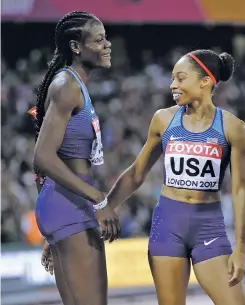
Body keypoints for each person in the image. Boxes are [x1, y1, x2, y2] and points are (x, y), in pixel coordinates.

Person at [106, 49, 245, 305]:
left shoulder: (232, 127)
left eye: (180, 78)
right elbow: (137, 173)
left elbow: (239, 190)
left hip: (209, 226)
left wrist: (240, 248)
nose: (173, 85)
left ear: (205, 81)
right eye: (172, 78)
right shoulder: (163, 119)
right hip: (167, 225)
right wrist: (105, 208)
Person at [31, 11, 119, 305]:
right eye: (98, 40)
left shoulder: (75, 86)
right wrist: (99, 199)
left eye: (105, 38)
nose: (107, 45)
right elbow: (42, 157)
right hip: (70, 203)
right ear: (76, 47)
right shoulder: (66, 86)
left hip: (65, 204)